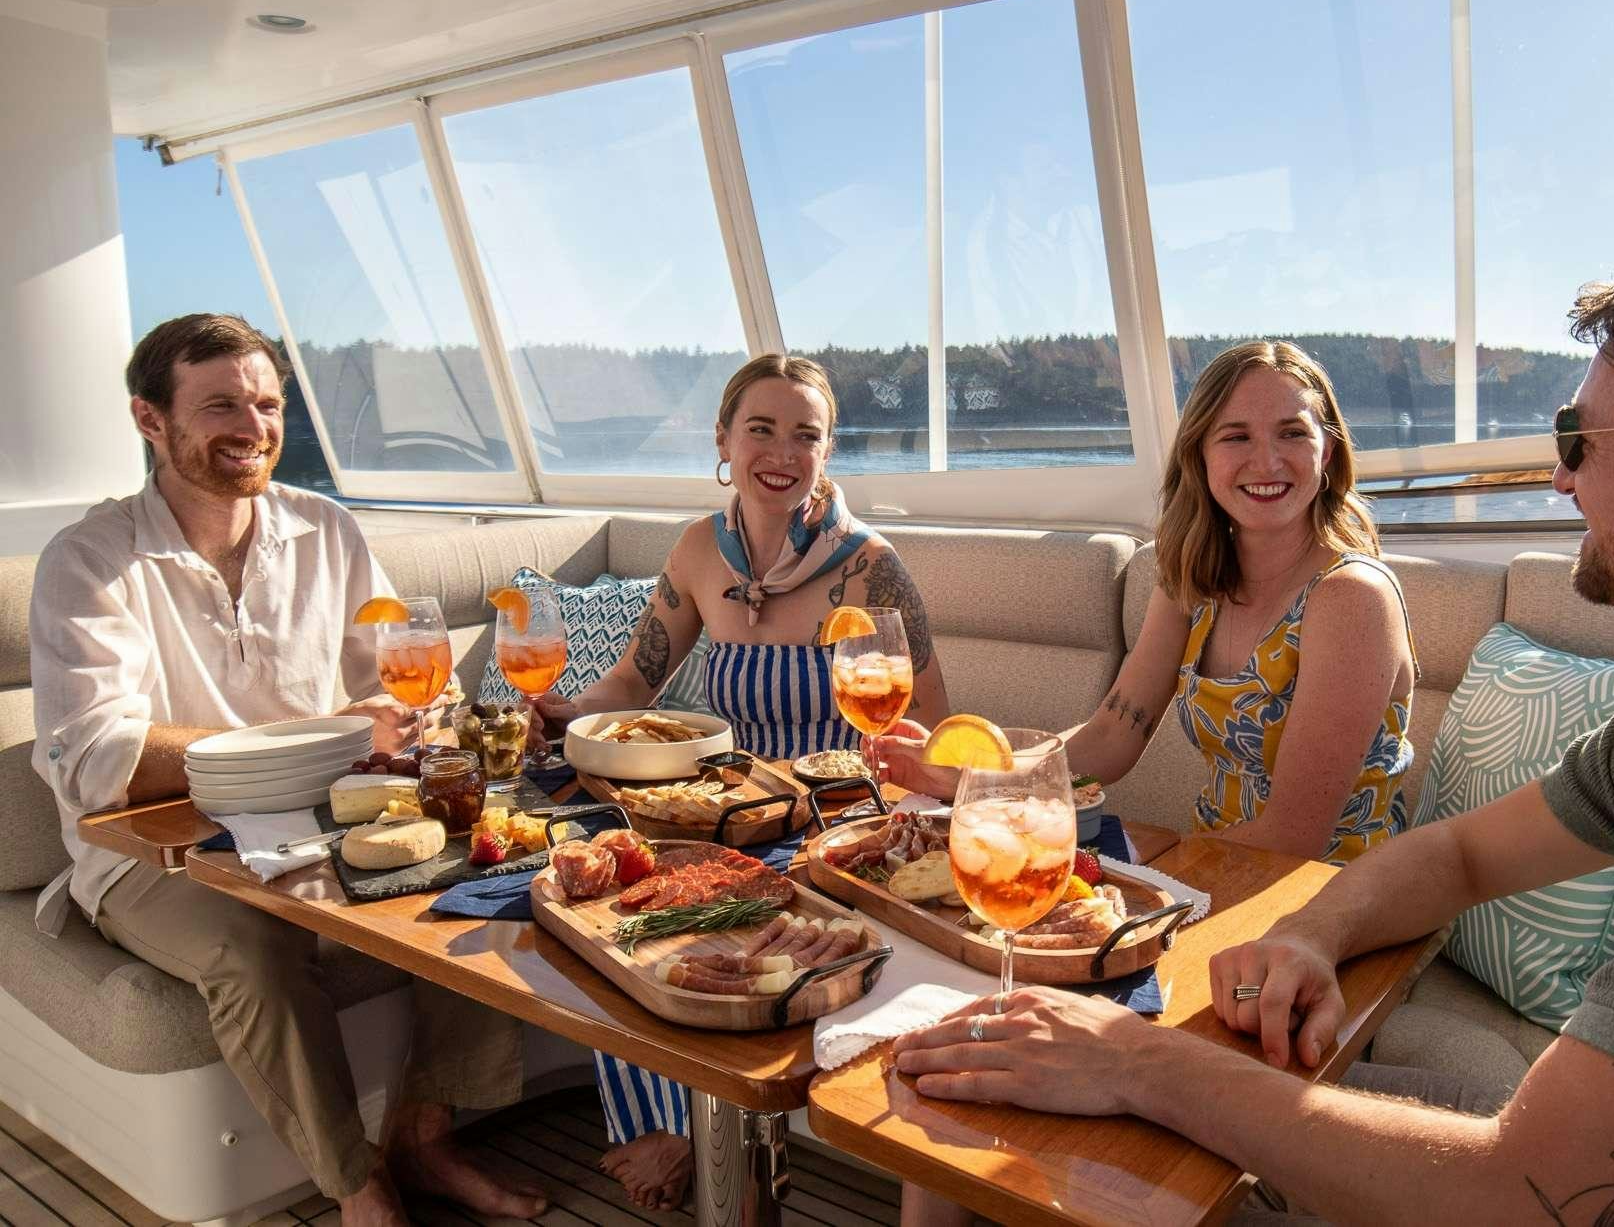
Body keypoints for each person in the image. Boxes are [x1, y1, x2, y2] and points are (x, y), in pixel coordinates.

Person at [892, 252, 1614, 1224]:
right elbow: (1449, 857)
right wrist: (1308, 933)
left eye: (1580, 439)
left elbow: (1515, 1197)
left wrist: (1131, 1058)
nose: (1556, 477)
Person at [30, 314, 546, 1227]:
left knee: (491, 867)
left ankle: (424, 1139)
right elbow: (98, 761)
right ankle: (360, 1187)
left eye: (267, 403)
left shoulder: (327, 529)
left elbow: (383, 691)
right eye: (221, 403)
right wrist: (333, 733)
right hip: (155, 854)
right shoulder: (90, 559)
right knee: (252, 945)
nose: (254, 425)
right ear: (151, 419)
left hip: (325, 819)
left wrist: (414, 726)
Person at [537, 351, 950, 1210]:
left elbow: (933, 731)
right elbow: (632, 685)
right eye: (761, 427)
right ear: (724, 440)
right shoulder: (699, 551)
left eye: (806, 434)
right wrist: (563, 712)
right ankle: (673, 1117)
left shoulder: (871, 567)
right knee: (608, 902)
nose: (782, 450)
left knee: (704, 929)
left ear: (827, 453)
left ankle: (695, 1135)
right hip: (726, 819)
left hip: (835, 821)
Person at [882, 340, 1415, 864]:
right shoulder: (1193, 576)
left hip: (1326, 903)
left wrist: (1145, 872)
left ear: (1329, 451)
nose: (1266, 460)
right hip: (1214, 868)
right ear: (1200, 455)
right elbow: (1113, 735)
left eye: (1292, 433)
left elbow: (1293, 837)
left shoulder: (1351, 598)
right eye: (1235, 437)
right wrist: (975, 778)